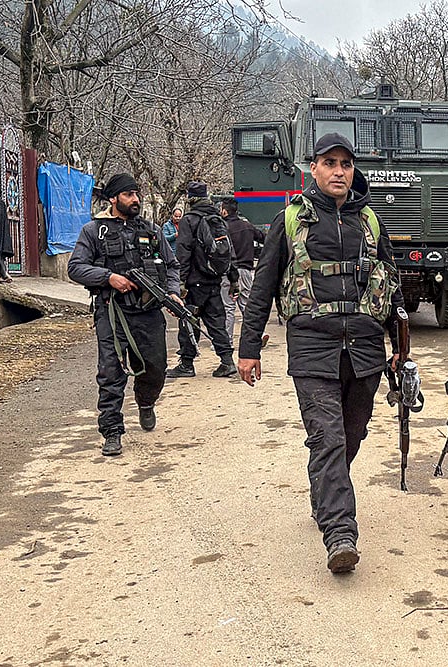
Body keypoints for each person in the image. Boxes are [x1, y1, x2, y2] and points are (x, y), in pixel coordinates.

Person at [238, 133, 403, 574]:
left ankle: (324, 496)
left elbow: (391, 287)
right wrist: (248, 347)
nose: (338, 172)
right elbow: (262, 288)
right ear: (313, 168)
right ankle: (340, 534)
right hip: (313, 347)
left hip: (365, 349)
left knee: (351, 435)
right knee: (327, 438)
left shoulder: (370, 221)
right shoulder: (289, 220)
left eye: (345, 164)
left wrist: (399, 352)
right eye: (329, 163)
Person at [68, 173, 181, 456]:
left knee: (155, 368)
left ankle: (145, 402)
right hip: (112, 312)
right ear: (113, 199)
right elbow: (76, 268)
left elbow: (172, 265)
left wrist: (174, 292)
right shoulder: (94, 231)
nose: (135, 200)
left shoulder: (152, 231)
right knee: (110, 372)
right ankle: (112, 431)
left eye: (137, 194)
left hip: (148, 312)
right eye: (129, 195)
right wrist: (108, 277)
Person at [166, 182, 239, 379]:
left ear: (190, 199)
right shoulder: (218, 219)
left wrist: (180, 282)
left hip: (195, 282)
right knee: (216, 321)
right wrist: (234, 279)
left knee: (188, 320)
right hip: (214, 280)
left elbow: (183, 251)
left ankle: (187, 364)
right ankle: (227, 362)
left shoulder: (189, 220)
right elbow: (229, 252)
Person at [218, 196, 264, 343]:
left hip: (228, 272)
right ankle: (257, 336)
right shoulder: (247, 225)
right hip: (246, 271)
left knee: (228, 307)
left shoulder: (222, 228)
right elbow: (264, 238)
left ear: (224, 211)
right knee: (247, 306)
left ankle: (227, 340)